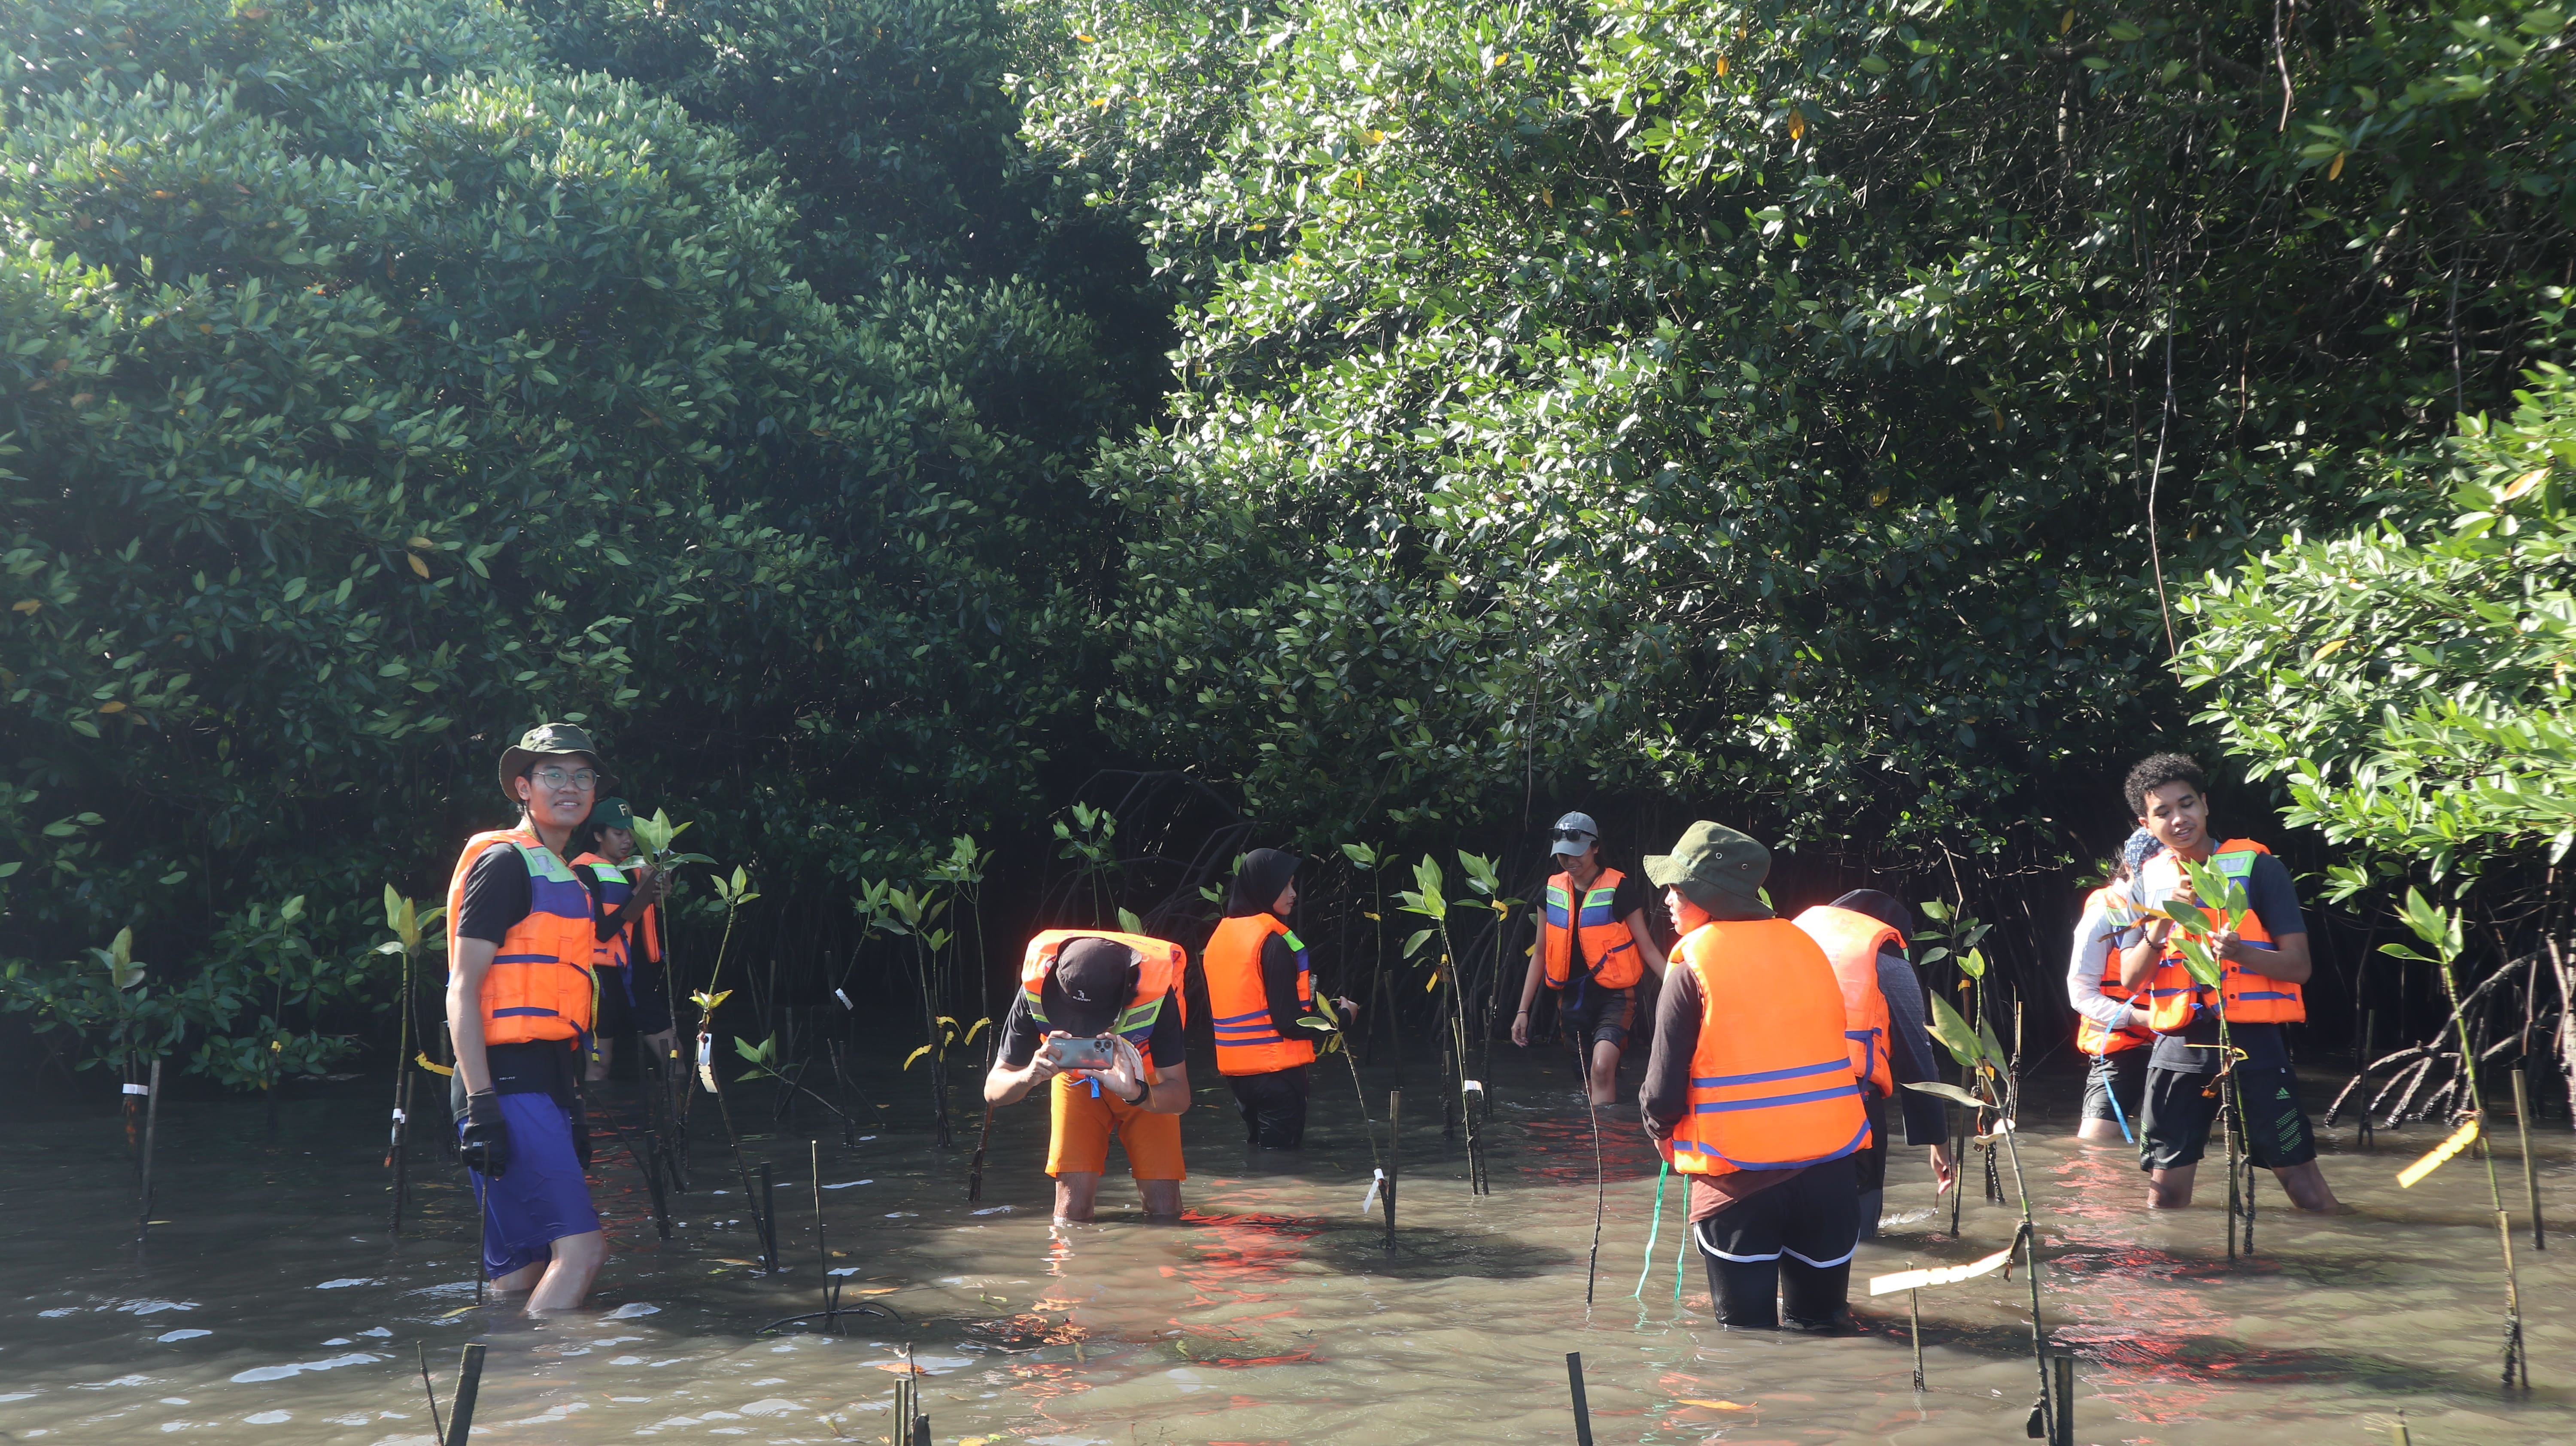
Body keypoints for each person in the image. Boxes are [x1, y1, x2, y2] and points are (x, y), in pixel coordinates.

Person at [1640, 821, 1872, 1332]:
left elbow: (1661, 1093)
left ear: (1706, 897)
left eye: (1678, 887)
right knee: (1826, 1328)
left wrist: (1659, 1134)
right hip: (1831, 1175)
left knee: (1746, 1347)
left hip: (1738, 1185)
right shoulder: (1807, 947)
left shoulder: (1691, 966)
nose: (1669, 898)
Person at [2115, 753, 2342, 1213]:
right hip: (2179, 1044)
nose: (2179, 819)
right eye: (2163, 812)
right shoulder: (2145, 881)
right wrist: (2162, 925)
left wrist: (2241, 952)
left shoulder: (2260, 868)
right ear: (2147, 822)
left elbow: (2299, 967)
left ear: (2205, 804)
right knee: (2166, 1197)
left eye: (2187, 804)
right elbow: (2130, 978)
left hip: (2252, 1042)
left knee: (2303, 1184)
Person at [444, 722, 614, 1312]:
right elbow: (462, 989)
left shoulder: (567, 876)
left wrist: (574, 1109)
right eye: (554, 774)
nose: (571, 786)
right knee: (584, 1252)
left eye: (582, 775)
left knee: (524, 1273)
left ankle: (515, 1391)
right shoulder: (504, 865)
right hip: (502, 1085)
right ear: (523, 786)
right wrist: (483, 1105)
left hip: (542, 1082)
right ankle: (555, 1388)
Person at [983, 930, 1194, 1222]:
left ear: (1126, 993)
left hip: (1143, 1079)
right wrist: (1029, 1076)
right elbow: (993, 1090)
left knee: (1164, 1211)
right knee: (1071, 1216)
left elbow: (1180, 1097)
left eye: (1095, 1020)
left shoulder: (1156, 996)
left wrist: (1136, 1092)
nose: (1084, 1029)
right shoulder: (1032, 991)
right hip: (1074, 1079)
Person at [1792, 890, 1955, 1236]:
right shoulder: (1888, 958)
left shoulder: (1791, 940)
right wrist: (1938, 1144)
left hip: (1774, 1098)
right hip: (1850, 1103)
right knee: (1857, 1231)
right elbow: (1917, 1057)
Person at [1511, 812, 1669, 1107]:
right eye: (1563, 855)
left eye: (1577, 853)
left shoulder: (1620, 890)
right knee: (1588, 1082)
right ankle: (1592, 1147)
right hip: (1572, 1002)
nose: (1570, 862)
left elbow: (1647, 948)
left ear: (1595, 847)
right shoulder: (1550, 892)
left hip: (1615, 998)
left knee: (1601, 1068)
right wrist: (1523, 1010)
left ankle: (1607, 1145)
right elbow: (1541, 953)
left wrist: (1680, 987)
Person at [1204, 849, 1358, 1149]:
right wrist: (1344, 1018)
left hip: (1239, 1080)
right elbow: (1289, 1024)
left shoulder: (1219, 940)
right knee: (1282, 1166)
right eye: (1285, 885)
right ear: (1263, 887)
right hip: (1277, 1079)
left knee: (1261, 1158)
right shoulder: (1273, 945)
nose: (1294, 893)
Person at [570, 797, 673, 1086]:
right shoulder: (583, 872)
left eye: (631, 833)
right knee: (600, 1068)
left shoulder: (638, 868)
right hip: (602, 982)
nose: (627, 841)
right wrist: (641, 890)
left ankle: (681, 1122)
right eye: (618, 834)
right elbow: (602, 932)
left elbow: (650, 924)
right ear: (599, 835)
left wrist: (661, 894)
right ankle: (598, 1127)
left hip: (638, 976)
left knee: (674, 1058)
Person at [2068, 830, 2159, 1145]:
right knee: (2093, 1146)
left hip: (2176, 1042)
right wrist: (2138, 1018)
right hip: (2120, 1045)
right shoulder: (2103, 914)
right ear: (2131, 869)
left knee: (2173, 1140)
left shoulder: (2182, 906)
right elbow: (2080, 993)